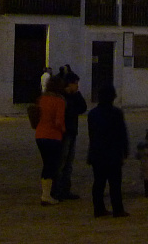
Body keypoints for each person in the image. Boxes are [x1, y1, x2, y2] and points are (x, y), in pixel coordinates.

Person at [87, 84, 130, 218]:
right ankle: (118, 209)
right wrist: (125, 150)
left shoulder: (92, 114)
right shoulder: (116, 113)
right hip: (113, 153)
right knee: (115, 184)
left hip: (97, 152)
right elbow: (122, 133)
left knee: (98, 183)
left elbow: (92, 134)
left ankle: (98, 209)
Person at [53, 70, 87, 200]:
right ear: (70, 84)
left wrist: (77, 94)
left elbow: (83, 107)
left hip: (72, 132)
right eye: (76, 83)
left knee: (68, 163)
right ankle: (57, 190)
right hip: (63, 132)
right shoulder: (62, 97)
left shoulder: (73, 96)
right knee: (61, 162)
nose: (77, 86)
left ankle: (65, 190)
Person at [34, 73, 66, 205]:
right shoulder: (59, 101)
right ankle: (46, 195)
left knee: (46, 164)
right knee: (51, 166)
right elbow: (59, 121)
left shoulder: (42, 99)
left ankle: (45, 193)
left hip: (40, 134)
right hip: (53, 136)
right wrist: (64, 130)